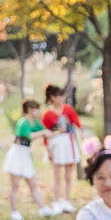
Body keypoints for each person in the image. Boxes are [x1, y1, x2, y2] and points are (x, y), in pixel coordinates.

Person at [41, 84, 82, 213]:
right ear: (52, 97)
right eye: (57, 96)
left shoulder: (69, 110)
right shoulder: (47, 114)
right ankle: (57, 201)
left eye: (62, 96)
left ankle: (67, 200)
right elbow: (45, 134)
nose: (60, 99)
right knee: (57, 176)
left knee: (69, 176)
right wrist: (48, 150)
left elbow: (77, 125)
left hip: (69, 144)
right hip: (56, 146)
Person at [4, 96, 45, 220]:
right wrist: (43, 133)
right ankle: (14, 211)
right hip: (17, 153)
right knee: (15, 185)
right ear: (30, 109)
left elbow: (44, 130)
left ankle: (43, 208)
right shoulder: (23, 122)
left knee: (33, 183)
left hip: (26, 154)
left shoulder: (35, 122)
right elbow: (28, 136)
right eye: (36, 109)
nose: (38, 112)